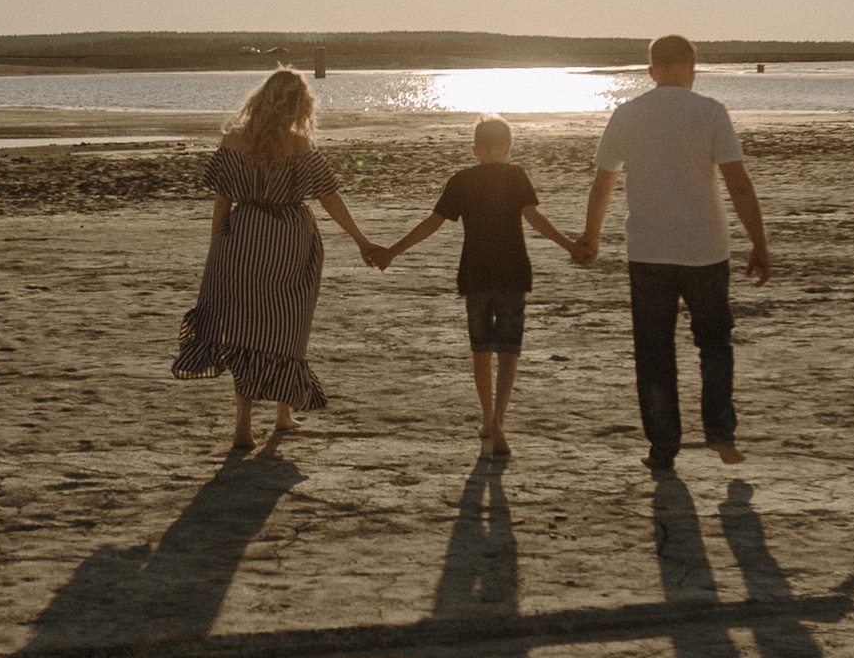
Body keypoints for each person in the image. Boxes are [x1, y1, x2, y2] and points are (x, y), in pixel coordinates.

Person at [574, 35, 772, 472]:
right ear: (691, 66)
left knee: (654, 352)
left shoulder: (628, 115)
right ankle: (720, 433)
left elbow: (602, 182)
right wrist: (758, 241)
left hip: (649, 252)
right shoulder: (710, 112)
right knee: (714, 345)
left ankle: (663, 447)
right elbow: (738, 183)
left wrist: (592, 234)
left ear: (652, 71)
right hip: (705, 249)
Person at [174, 68, 385, 450]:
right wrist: (360, 239)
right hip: (290, 240)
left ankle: (243, 423)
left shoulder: (234, 140)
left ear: (262, 99)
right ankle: (282, 414)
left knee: (243, 331)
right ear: (301, 106)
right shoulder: (299, 146)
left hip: (242, 238)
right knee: (286, 326)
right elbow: (329, 196)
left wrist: (214, 255)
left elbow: (222, 202)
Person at [373, 117, 580, 458]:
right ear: (508, 149)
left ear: (475, 150)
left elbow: (433, 223)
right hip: (513, 274)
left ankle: (487, 418)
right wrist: (570, 245)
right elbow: (535, 219)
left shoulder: (461, 180)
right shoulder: (516, 176)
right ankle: (499, 417)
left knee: (480, 350)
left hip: (475, 276)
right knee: (509, 350)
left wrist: (392, 252)